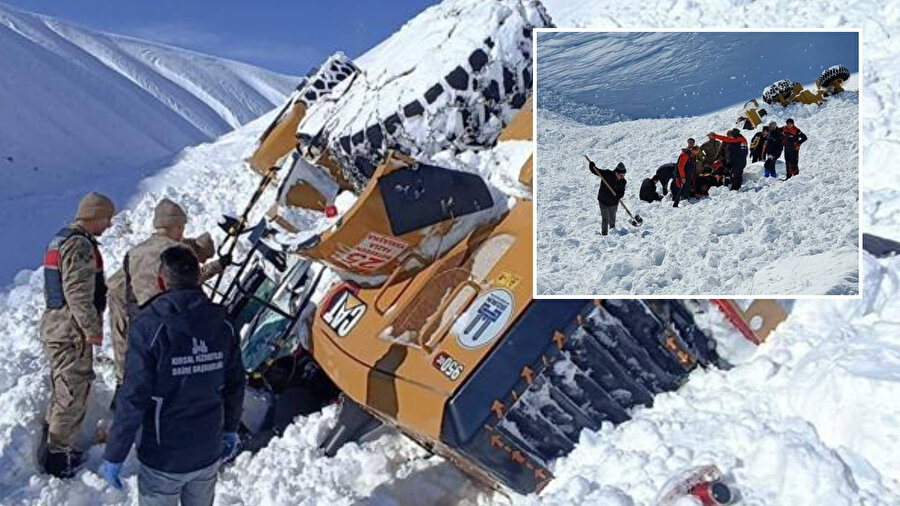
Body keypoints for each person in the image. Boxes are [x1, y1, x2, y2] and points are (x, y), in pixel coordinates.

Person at [100, 246, 245, 505]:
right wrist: (230, 429)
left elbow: (134, 395)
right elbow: (235, 384)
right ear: (198, 276)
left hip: (163, 454)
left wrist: (115, 453)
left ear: (161, 281)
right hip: (208, 447)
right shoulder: (222, 323)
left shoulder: (149, 327)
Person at [107, 201, 229, 394]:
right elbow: (189, 282)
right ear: (178, 226)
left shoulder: (134, 253)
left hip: (140, 321)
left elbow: (119, 287)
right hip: (171, 320)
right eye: (182, 227)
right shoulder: (178, 252)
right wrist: (217, 266)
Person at [39, 192, 115, 478]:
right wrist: (92, 330)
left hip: (59, 328)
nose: (108, 225)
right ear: (95, 215)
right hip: (71, 332)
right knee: (71, 392)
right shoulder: (80, 245)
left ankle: (56, 446)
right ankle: (58, 458)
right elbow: (78, 294)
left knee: (63, 390)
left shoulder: (61, 239)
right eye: (107, 219)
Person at [589, 160, 627, 235]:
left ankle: (613, 233)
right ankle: (604, 235)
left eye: (624, 175)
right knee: (605, 219)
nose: (622, 177)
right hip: (603, 200)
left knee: (612, 219)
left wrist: (619, 196)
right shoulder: (607, 174)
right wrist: (592, 166)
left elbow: (622, 192)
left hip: (613, 202)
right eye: (621, 175)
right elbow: (596, 171)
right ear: (616, 173)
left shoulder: (623, 182)